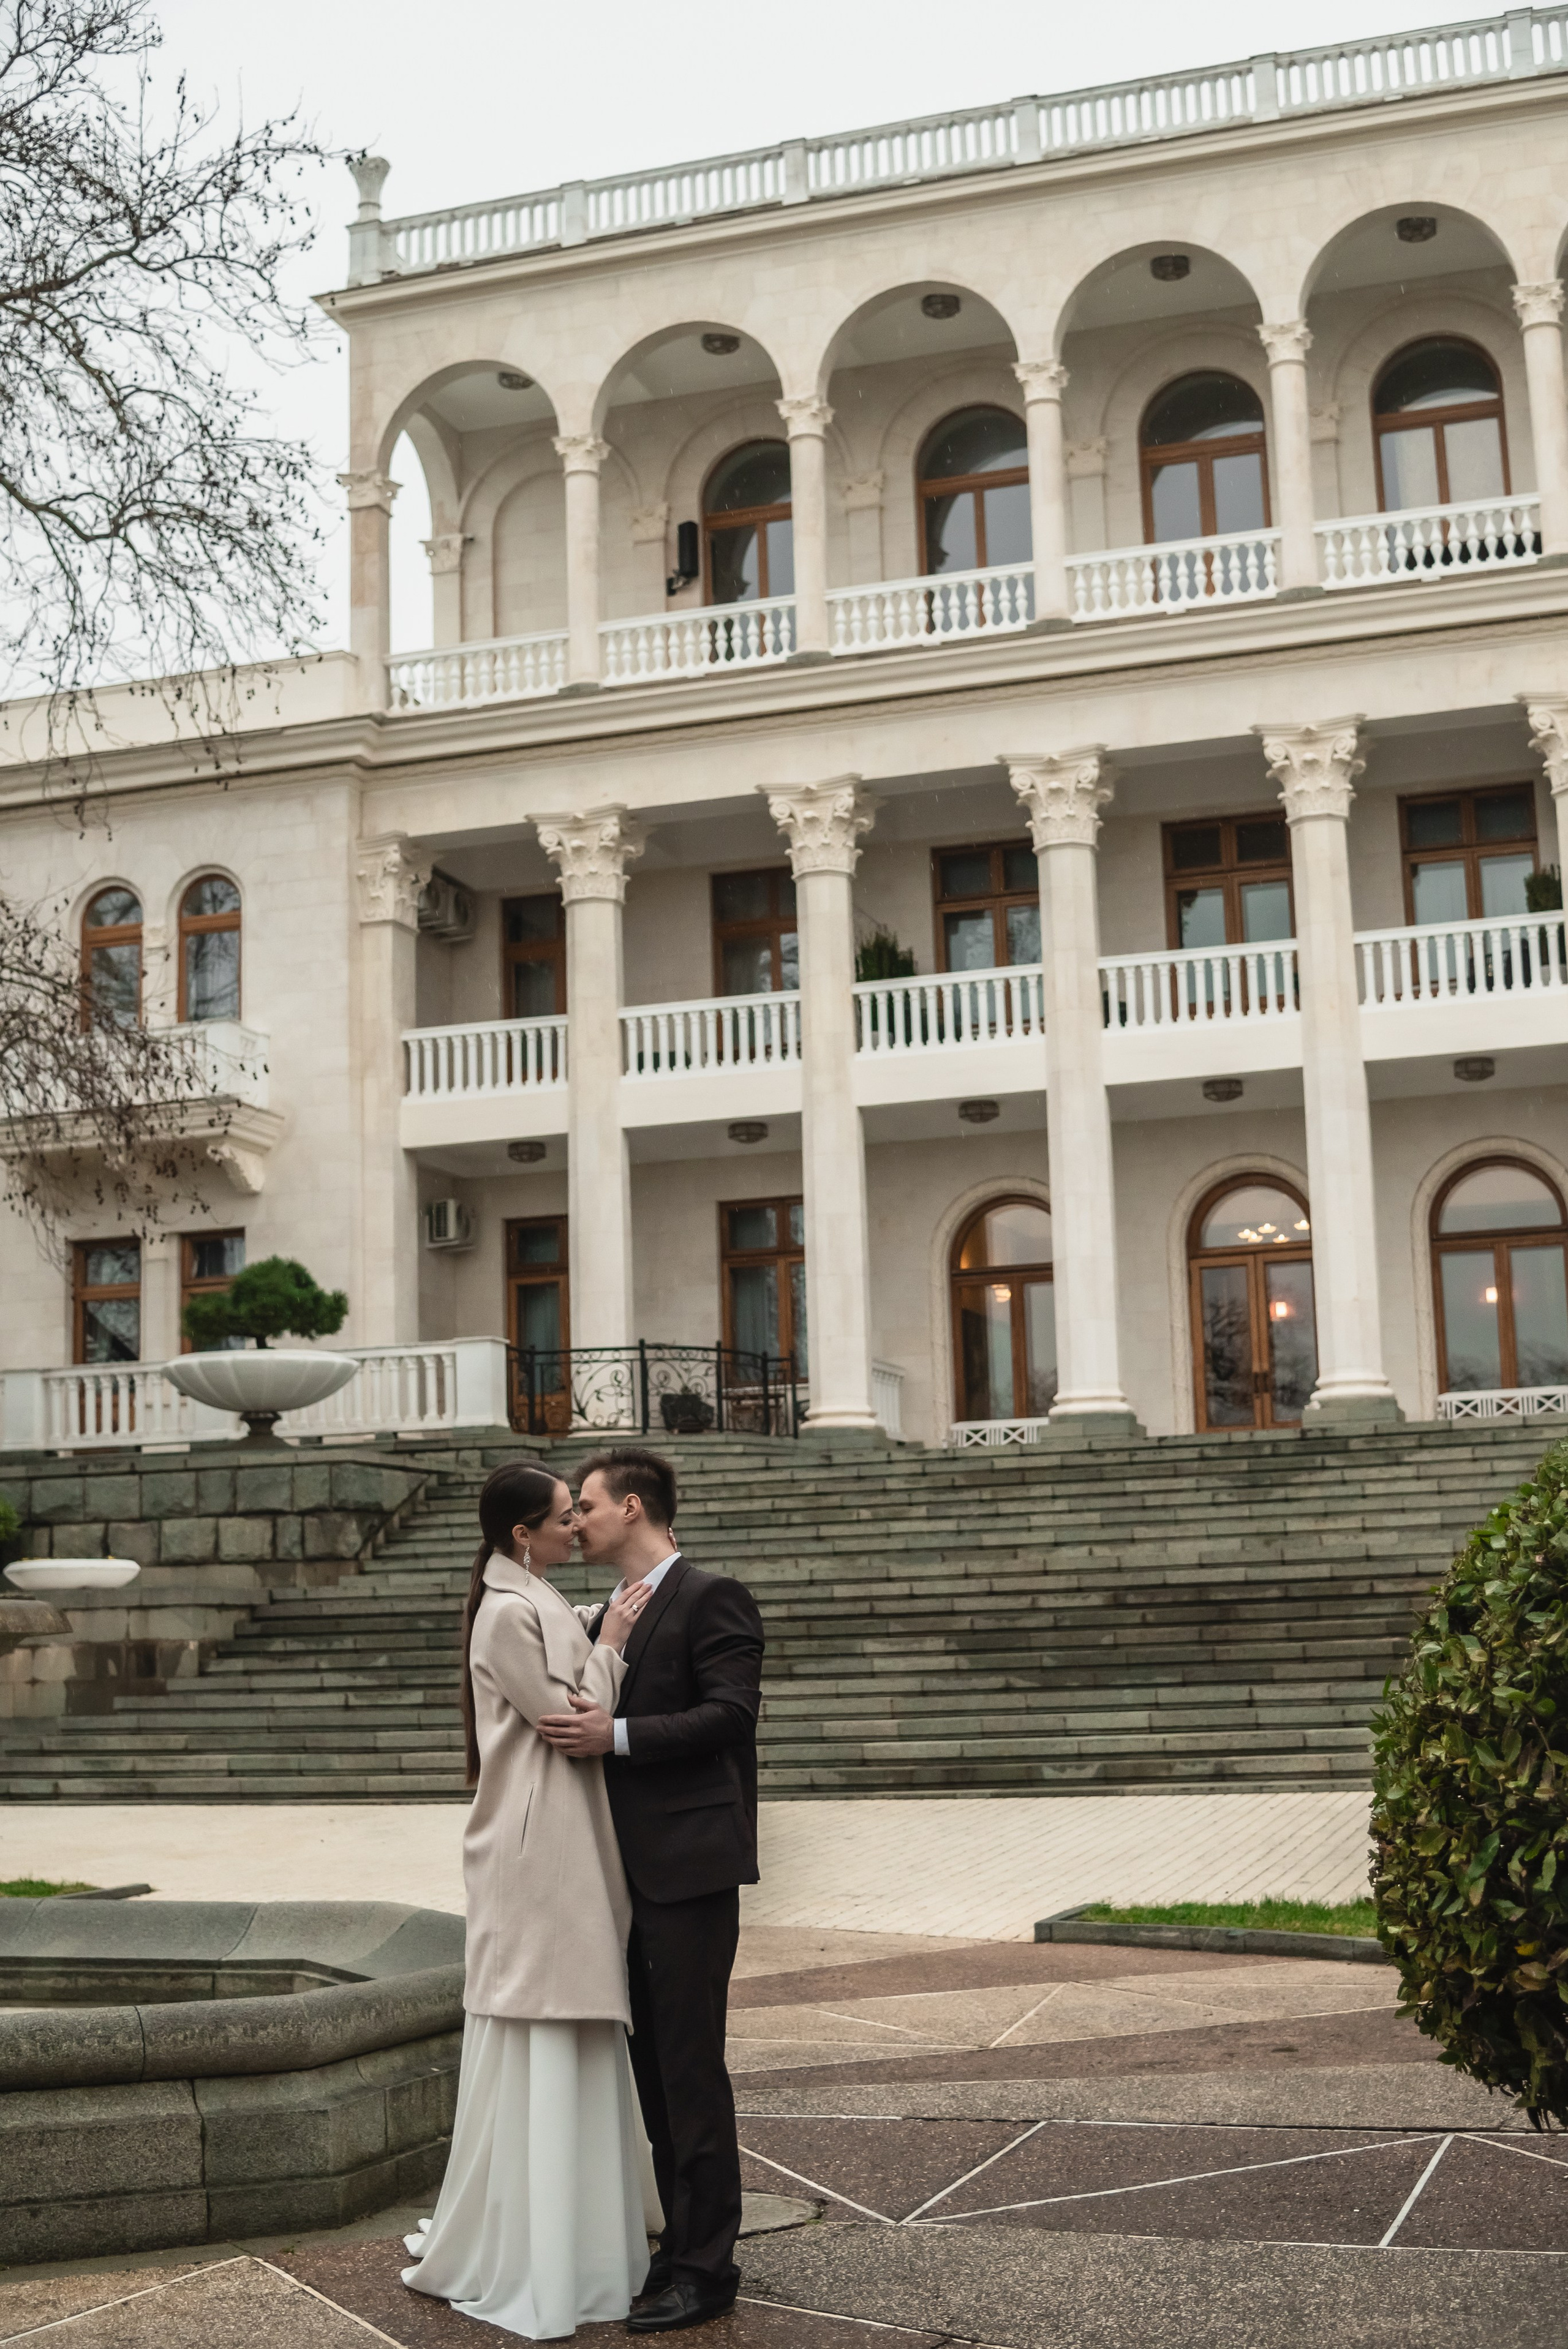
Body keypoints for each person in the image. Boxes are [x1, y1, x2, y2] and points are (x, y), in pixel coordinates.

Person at [402, 1458, 658, 2341]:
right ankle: (551, 2247)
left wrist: (598, 1627)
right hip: (536, 1847)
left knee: (566, 2014)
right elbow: (569, 1718)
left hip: (555, 1842)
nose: (576, 1526)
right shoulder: (509, 1611)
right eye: (563, 1516)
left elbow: (563, 1652)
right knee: (550, 2012)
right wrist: (616, 1644)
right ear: (524, 1534)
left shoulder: (526, 1595)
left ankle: (577, 2235)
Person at [538, 1446, 765, 2337]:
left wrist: (616, 1736)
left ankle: (710, 2268)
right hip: (617, 1875)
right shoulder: (613, 1612)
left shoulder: (713, 1595)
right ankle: (676, 2248)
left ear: (632, 1508)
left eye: (586, 1504)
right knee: (651, 2074)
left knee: (689, 2068)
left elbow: (730, 1714)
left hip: (690, 1868)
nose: (576, 1519)